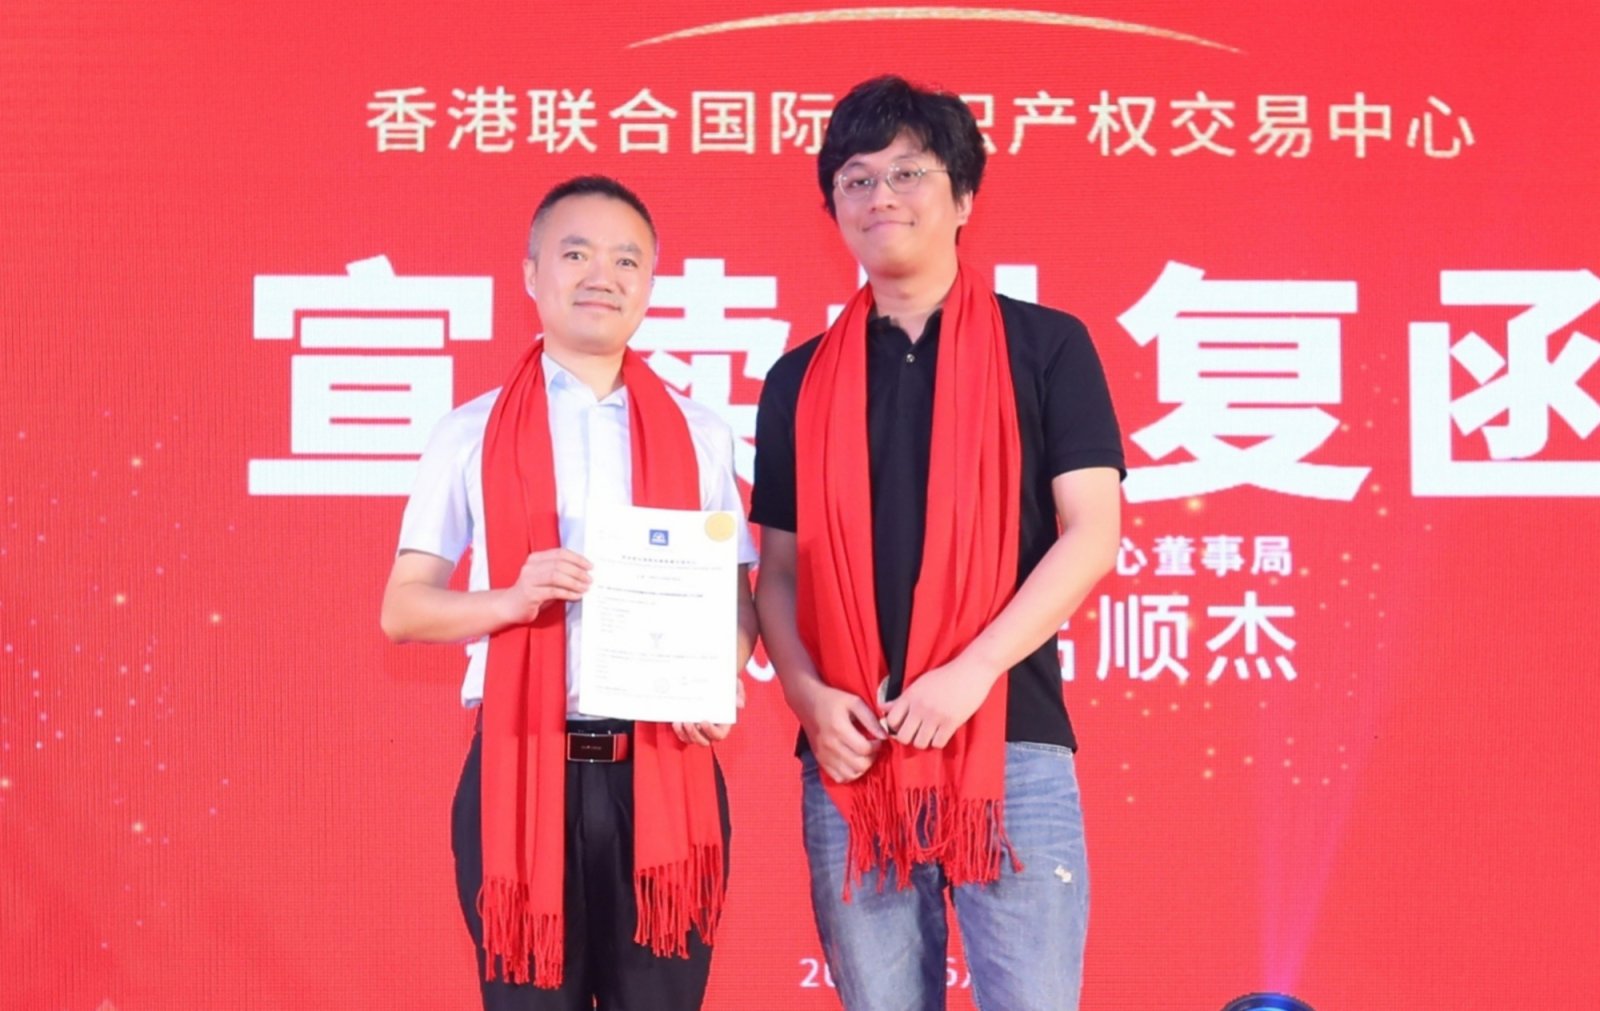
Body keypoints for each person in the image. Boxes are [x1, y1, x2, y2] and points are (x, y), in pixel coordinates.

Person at [750, 76, 1124, 1011]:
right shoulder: (799, 379)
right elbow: (779, 572)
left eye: (909, 172)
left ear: (963, 197)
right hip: (855, 753)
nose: (881, 195)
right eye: (856, 178)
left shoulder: (1047, 346)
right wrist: (807, 699)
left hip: (1011, 741)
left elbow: (1092, 531)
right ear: (834, 207)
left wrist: (973, 672)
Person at [381, 175, 758, 1011]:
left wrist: (716, 676)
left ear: (650, 283)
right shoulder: (471, 430)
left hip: (662, 772)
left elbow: (737, 598)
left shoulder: (700, 433)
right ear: (531, 273)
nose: (603, 276)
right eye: (577, 253)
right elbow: (403, 607)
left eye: (627, 259)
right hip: (521, 767)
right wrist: (509, 599)